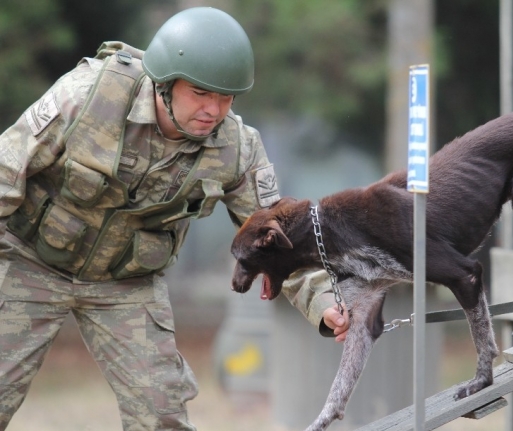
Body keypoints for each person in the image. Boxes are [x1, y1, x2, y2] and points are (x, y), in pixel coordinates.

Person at [0, 7, 348, 431]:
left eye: (226, 97)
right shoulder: (87, 95)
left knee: (162, 415)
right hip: (29, 263)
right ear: (164, 84)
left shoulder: (236, 150)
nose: (213, 109)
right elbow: (6, 171)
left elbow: (278, 242)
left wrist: (326, 304)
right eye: (200, 93)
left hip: (124, 284)